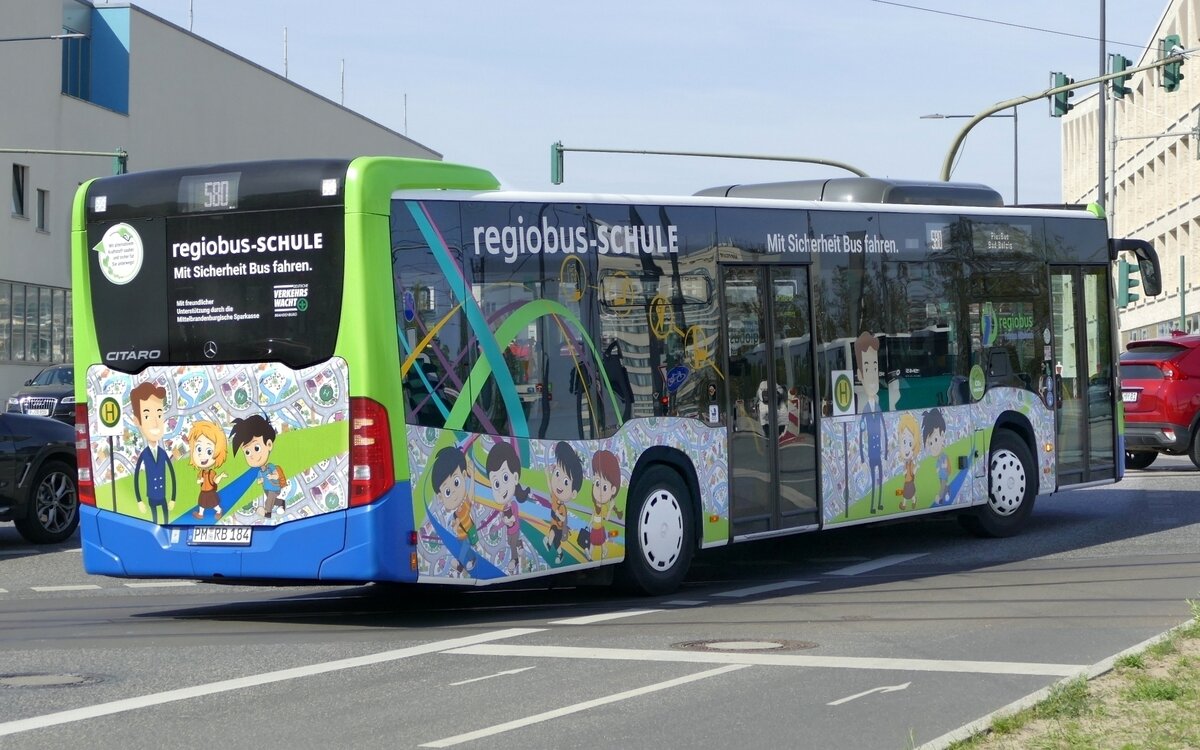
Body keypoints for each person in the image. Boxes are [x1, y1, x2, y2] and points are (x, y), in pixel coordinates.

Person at [130, 381, 176, 525]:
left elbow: (172, 475)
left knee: (166, 519)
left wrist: (173, 498)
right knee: (155, 521)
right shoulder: (144, 455)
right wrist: (139, 501)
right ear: (137, 421)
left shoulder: (162, 453)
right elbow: (137, 477)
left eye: (159, 415)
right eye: (147, 416)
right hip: (151, 497)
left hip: (162, 496)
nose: (156, 423)